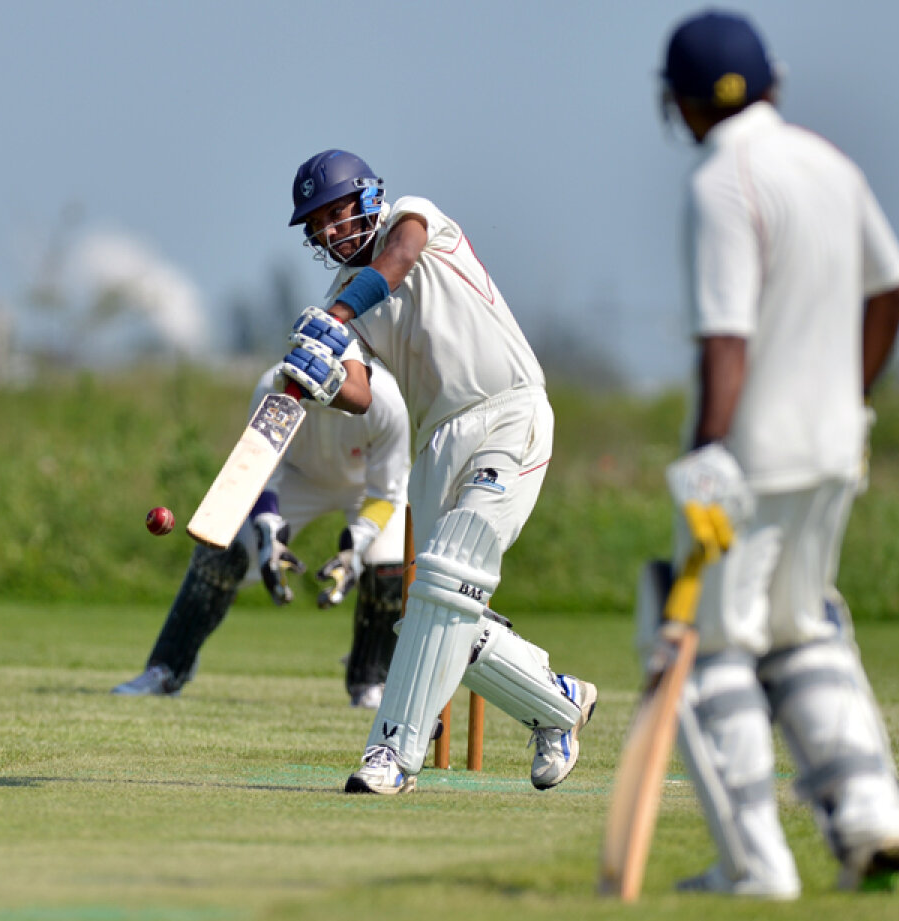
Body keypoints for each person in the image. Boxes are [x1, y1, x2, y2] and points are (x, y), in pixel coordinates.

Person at [645, 8, 899, 898]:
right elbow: (894, 285)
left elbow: (726, 340)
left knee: (709, 644)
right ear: (772, 82)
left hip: (753, 456)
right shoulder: (829, 163)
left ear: (684, 105)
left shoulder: (721, 179)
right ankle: (873, 812)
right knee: (805, 630)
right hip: (837, 448)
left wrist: (707, 460)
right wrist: (853, 393)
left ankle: (755, 864)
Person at [275, 148, 598, 795]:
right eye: (318, 224)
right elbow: (362, 393)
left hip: (508, 410)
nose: (331, 231)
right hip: (436, 444)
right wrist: (326, 376)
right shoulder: (344, 295)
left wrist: (334, 324)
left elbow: (397, 262)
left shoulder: (415, 218)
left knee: (447, 579)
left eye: (337, 213)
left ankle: (392, 753)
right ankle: (558, 704)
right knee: (437, 610)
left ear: (369, 198)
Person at [112, 360, 410, 709]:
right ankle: (167, 669)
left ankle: (371, 681)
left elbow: (385, 492)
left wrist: (354, 550)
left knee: (390, 565)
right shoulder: (278, 386)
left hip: (367, 487)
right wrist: (269, 534)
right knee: (222, 553)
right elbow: (262, 471)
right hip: (295, 480)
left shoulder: (386, 401)